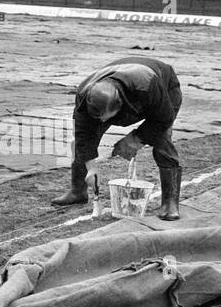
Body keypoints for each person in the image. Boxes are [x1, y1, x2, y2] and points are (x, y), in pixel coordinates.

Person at [51, 55, 183, 220]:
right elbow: (83, 135)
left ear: (120, 106)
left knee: (162, 139)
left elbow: (162, 120)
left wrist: (134, 139)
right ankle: (78, 191)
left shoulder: (147, 87)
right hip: (125, 83)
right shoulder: (85, 95)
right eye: (100, 118)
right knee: (83, 138)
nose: (104, 122)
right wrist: (91, 168)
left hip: (163, 87)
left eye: (107, 117)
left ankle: (170, 202)